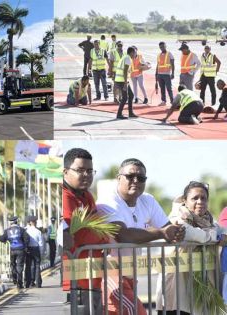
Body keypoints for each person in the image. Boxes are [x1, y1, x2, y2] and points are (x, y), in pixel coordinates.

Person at [97, 158, 185, 315]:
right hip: (109, 274)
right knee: (135, 311)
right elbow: (124, 236)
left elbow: (167, 229)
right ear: (119, 178)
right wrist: (160, 233)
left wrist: (176, 231)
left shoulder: (147, 200)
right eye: (130, 176)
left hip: (130, 275)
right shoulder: (107, 201)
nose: (136, 181)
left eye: (141, 178)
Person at [155, 181, 225, 315]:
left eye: (203, 198)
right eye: (195, 198)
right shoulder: (175, 219)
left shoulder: (210, 221)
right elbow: (193, 233)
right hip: (177, 287)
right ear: (185, 201)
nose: (200, 202)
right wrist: (216, 237)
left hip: (200, 290)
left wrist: (220, 235)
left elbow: (222, 231)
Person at [62, 148, 108, 314]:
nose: (87, 175)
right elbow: (75, 236)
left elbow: (97, 227)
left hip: (93, 279)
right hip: (76, 283)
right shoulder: (64, 196)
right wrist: (103, 237)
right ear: (66, 171)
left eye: (90, 171)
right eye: (80, 170)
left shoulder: (87, 196)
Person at [0, 216, 30, 289]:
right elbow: (27, 238)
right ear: (17, 222)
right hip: (21, 250)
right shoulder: (21, 229)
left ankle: (14, 277)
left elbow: (2, 238)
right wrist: (25, 246)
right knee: (20, 266)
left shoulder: (7, 231)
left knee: (13, 264)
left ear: (10, 223)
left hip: (12, 250)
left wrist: (3, 239)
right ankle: (20, 283)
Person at [114, 46, 138, 119]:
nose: (135, 54)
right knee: (125, 98)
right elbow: (125, 71)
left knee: (131, 95)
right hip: (121, 80)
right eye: (135, 53)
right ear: (131, 53)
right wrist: (125, 83)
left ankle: (130, 113)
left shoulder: (125, 57)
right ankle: (119, 114)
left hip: (120, 79)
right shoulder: (128, 58)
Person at [25, 216, 43, 288]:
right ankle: (38, 283)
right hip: (36, 249)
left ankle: (29, 283)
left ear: (29, 223)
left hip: (28, 249)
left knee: (28, 266)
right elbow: (41, 243)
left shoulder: (26, 231)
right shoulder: (38, 231)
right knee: (37, 266)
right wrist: (41, 252)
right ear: (34, 222)